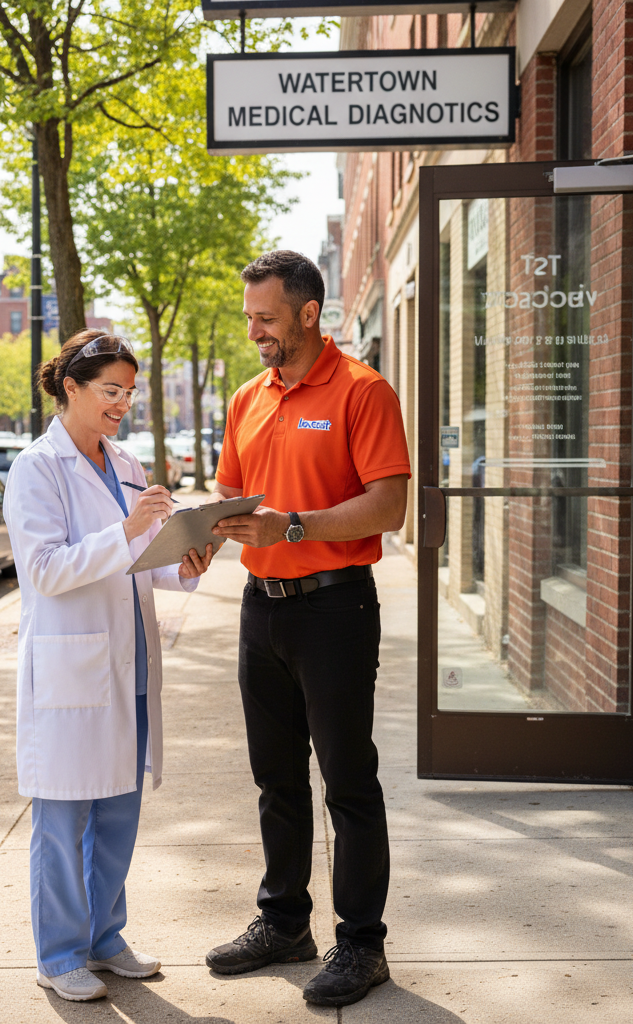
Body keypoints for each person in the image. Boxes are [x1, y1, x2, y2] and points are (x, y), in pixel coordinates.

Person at [206, 251, 411, 1008]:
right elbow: (233, 491)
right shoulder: (247, 397)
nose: (254, 329)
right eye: (249, 316)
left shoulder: (363, 390)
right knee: (275, 777)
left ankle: (362, 944)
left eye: (266, 317)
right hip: (261, 606)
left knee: (347, 780)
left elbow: (389, 505)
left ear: (307, 312)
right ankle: (286, 922)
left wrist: (290, 525)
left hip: (336, 608)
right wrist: (206, 526)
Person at [4, 330, 216, 1003]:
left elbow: (144, 564)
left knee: (119, 815)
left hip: (130, 665)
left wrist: (186, 561)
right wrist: (126, 532)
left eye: (129, 390)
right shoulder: (37, 468)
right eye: (110, 390)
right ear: (71, 387)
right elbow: (43, 571)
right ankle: (60, 952)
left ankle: (104, 938)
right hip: (72, 669)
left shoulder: (124, 463)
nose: (123, 403)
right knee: (63, 822)